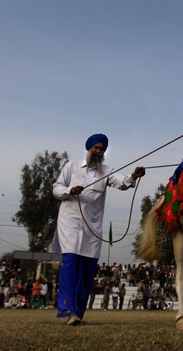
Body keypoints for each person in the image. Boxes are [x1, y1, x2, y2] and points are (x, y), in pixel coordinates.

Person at [52, 133, 146, 326]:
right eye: (96, 148)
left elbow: (122, 182)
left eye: (102, 149)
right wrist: (69, 191)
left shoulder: (107, 171)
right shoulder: (71, 166)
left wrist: (134, 176)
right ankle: (68, 310)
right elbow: (56, 188)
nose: (98, 151)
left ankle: (78, 313)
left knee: (87, 270)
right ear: (89, 149)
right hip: (69, 223)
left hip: (92, 226)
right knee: (70, 264)